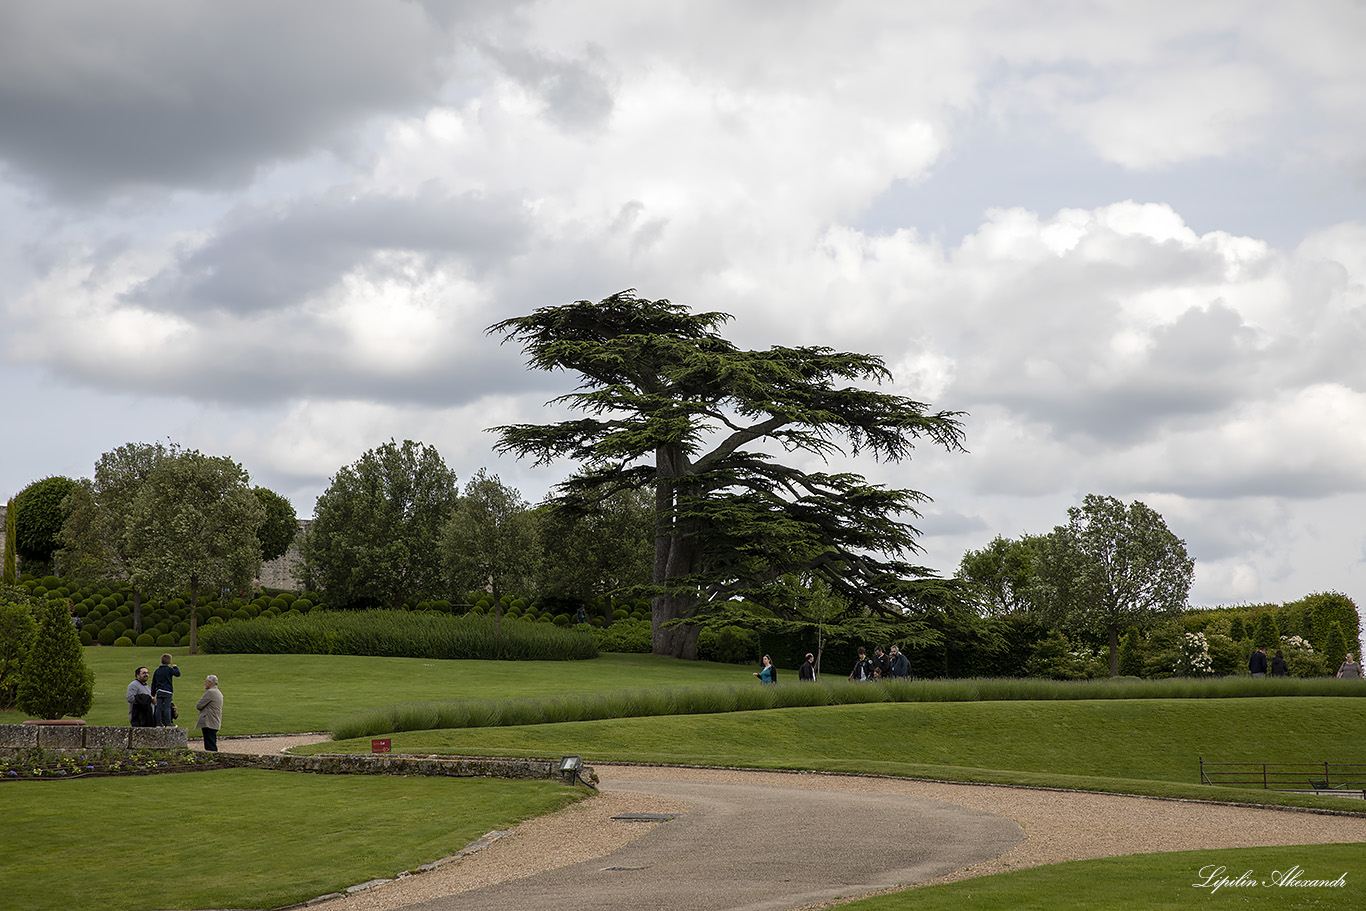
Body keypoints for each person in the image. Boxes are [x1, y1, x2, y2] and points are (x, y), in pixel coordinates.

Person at [150, 653, 181, 727]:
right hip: (167, 691)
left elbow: (154, 682)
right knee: (167, 707)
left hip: (159, 691)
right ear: (170, 662)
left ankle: (158, 723)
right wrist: (175, 667)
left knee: (158, 707)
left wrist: (153, 693)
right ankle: (168, 722)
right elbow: (177, 674)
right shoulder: (169, 669)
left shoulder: (157, 671)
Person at [196, 675, 224, 751]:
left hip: (209, 721)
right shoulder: (218, 692)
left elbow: (199, 705)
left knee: (210, 746)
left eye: (206, 681)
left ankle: (212, 760)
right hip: (214, 720)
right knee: (211, 742)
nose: (205, 683)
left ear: (210, 682)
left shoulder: (210, 692)